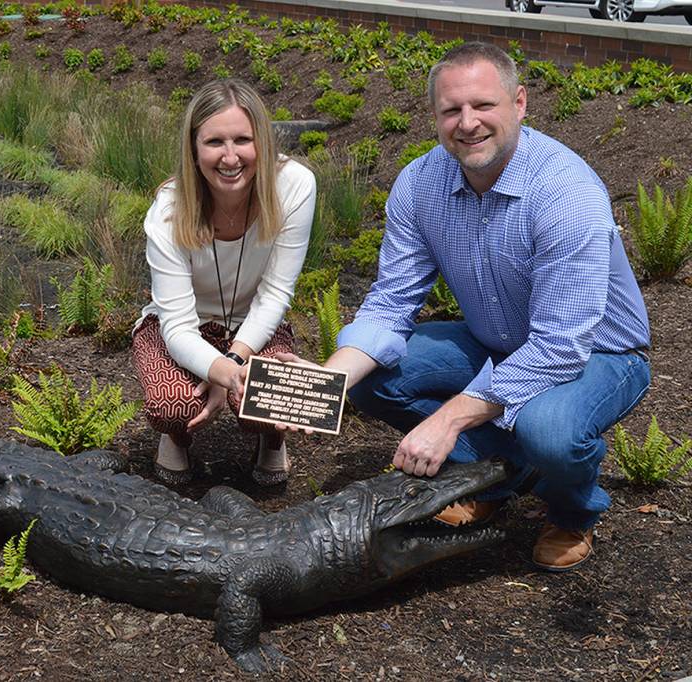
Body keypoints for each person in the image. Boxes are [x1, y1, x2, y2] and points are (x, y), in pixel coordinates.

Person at [318, 42, 651, 571]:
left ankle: (573, 511)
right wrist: (323, 386)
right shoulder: (419, 184)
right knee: (370, 378)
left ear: (519, 103)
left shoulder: (565, 192)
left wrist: (448, 421)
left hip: (597, 354)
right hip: (495, 340)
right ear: (435, 117)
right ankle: (502, 472)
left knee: (551, 431)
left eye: (483, 105)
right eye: (451, 110)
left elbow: (560, 347)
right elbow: (391, 302)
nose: (467, 123)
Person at [132, 79, 317, 486]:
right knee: (173, 404)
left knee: (270, 398)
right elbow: (177, 326)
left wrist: (229, 366)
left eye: (243, 140)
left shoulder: (295, 186)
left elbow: (274, 294)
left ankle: (271, 442)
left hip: (255, 323)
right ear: (194, 150)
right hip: (185, 326)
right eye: (215, 142)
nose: (230, 157)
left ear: (262, 143)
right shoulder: (168, 210)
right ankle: (177, 435)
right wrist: (216, 369)